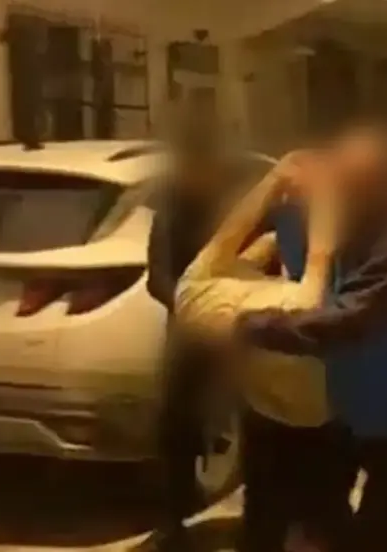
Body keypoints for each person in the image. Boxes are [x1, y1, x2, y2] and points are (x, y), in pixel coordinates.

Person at [234, 123, 387, 552]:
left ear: (385, 187)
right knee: (360, 510)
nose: (334, 192)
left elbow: (351, 316)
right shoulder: (319, 214)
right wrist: (274, 182)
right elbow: (231, 240)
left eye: (349, 184)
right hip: (352, 406)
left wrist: (251, 326)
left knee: (380, 530)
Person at [174, 151, 355, 552]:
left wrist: (275, 180)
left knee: (262, 517)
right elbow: (320, 257)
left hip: (263, 413)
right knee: (327, 516)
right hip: (317, 420)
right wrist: (324, 195)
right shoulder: (293, 309)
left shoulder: (193, 292)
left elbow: (228, 241)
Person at [143, 119, 250, 551]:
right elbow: (157, 276)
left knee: (255, 427)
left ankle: (263, 520)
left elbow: (254, 263)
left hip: (234, 336)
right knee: (176, 429)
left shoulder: (235, 210)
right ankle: (174, 520)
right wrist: (191, 309)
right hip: (189, 335)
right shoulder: (171, 211)